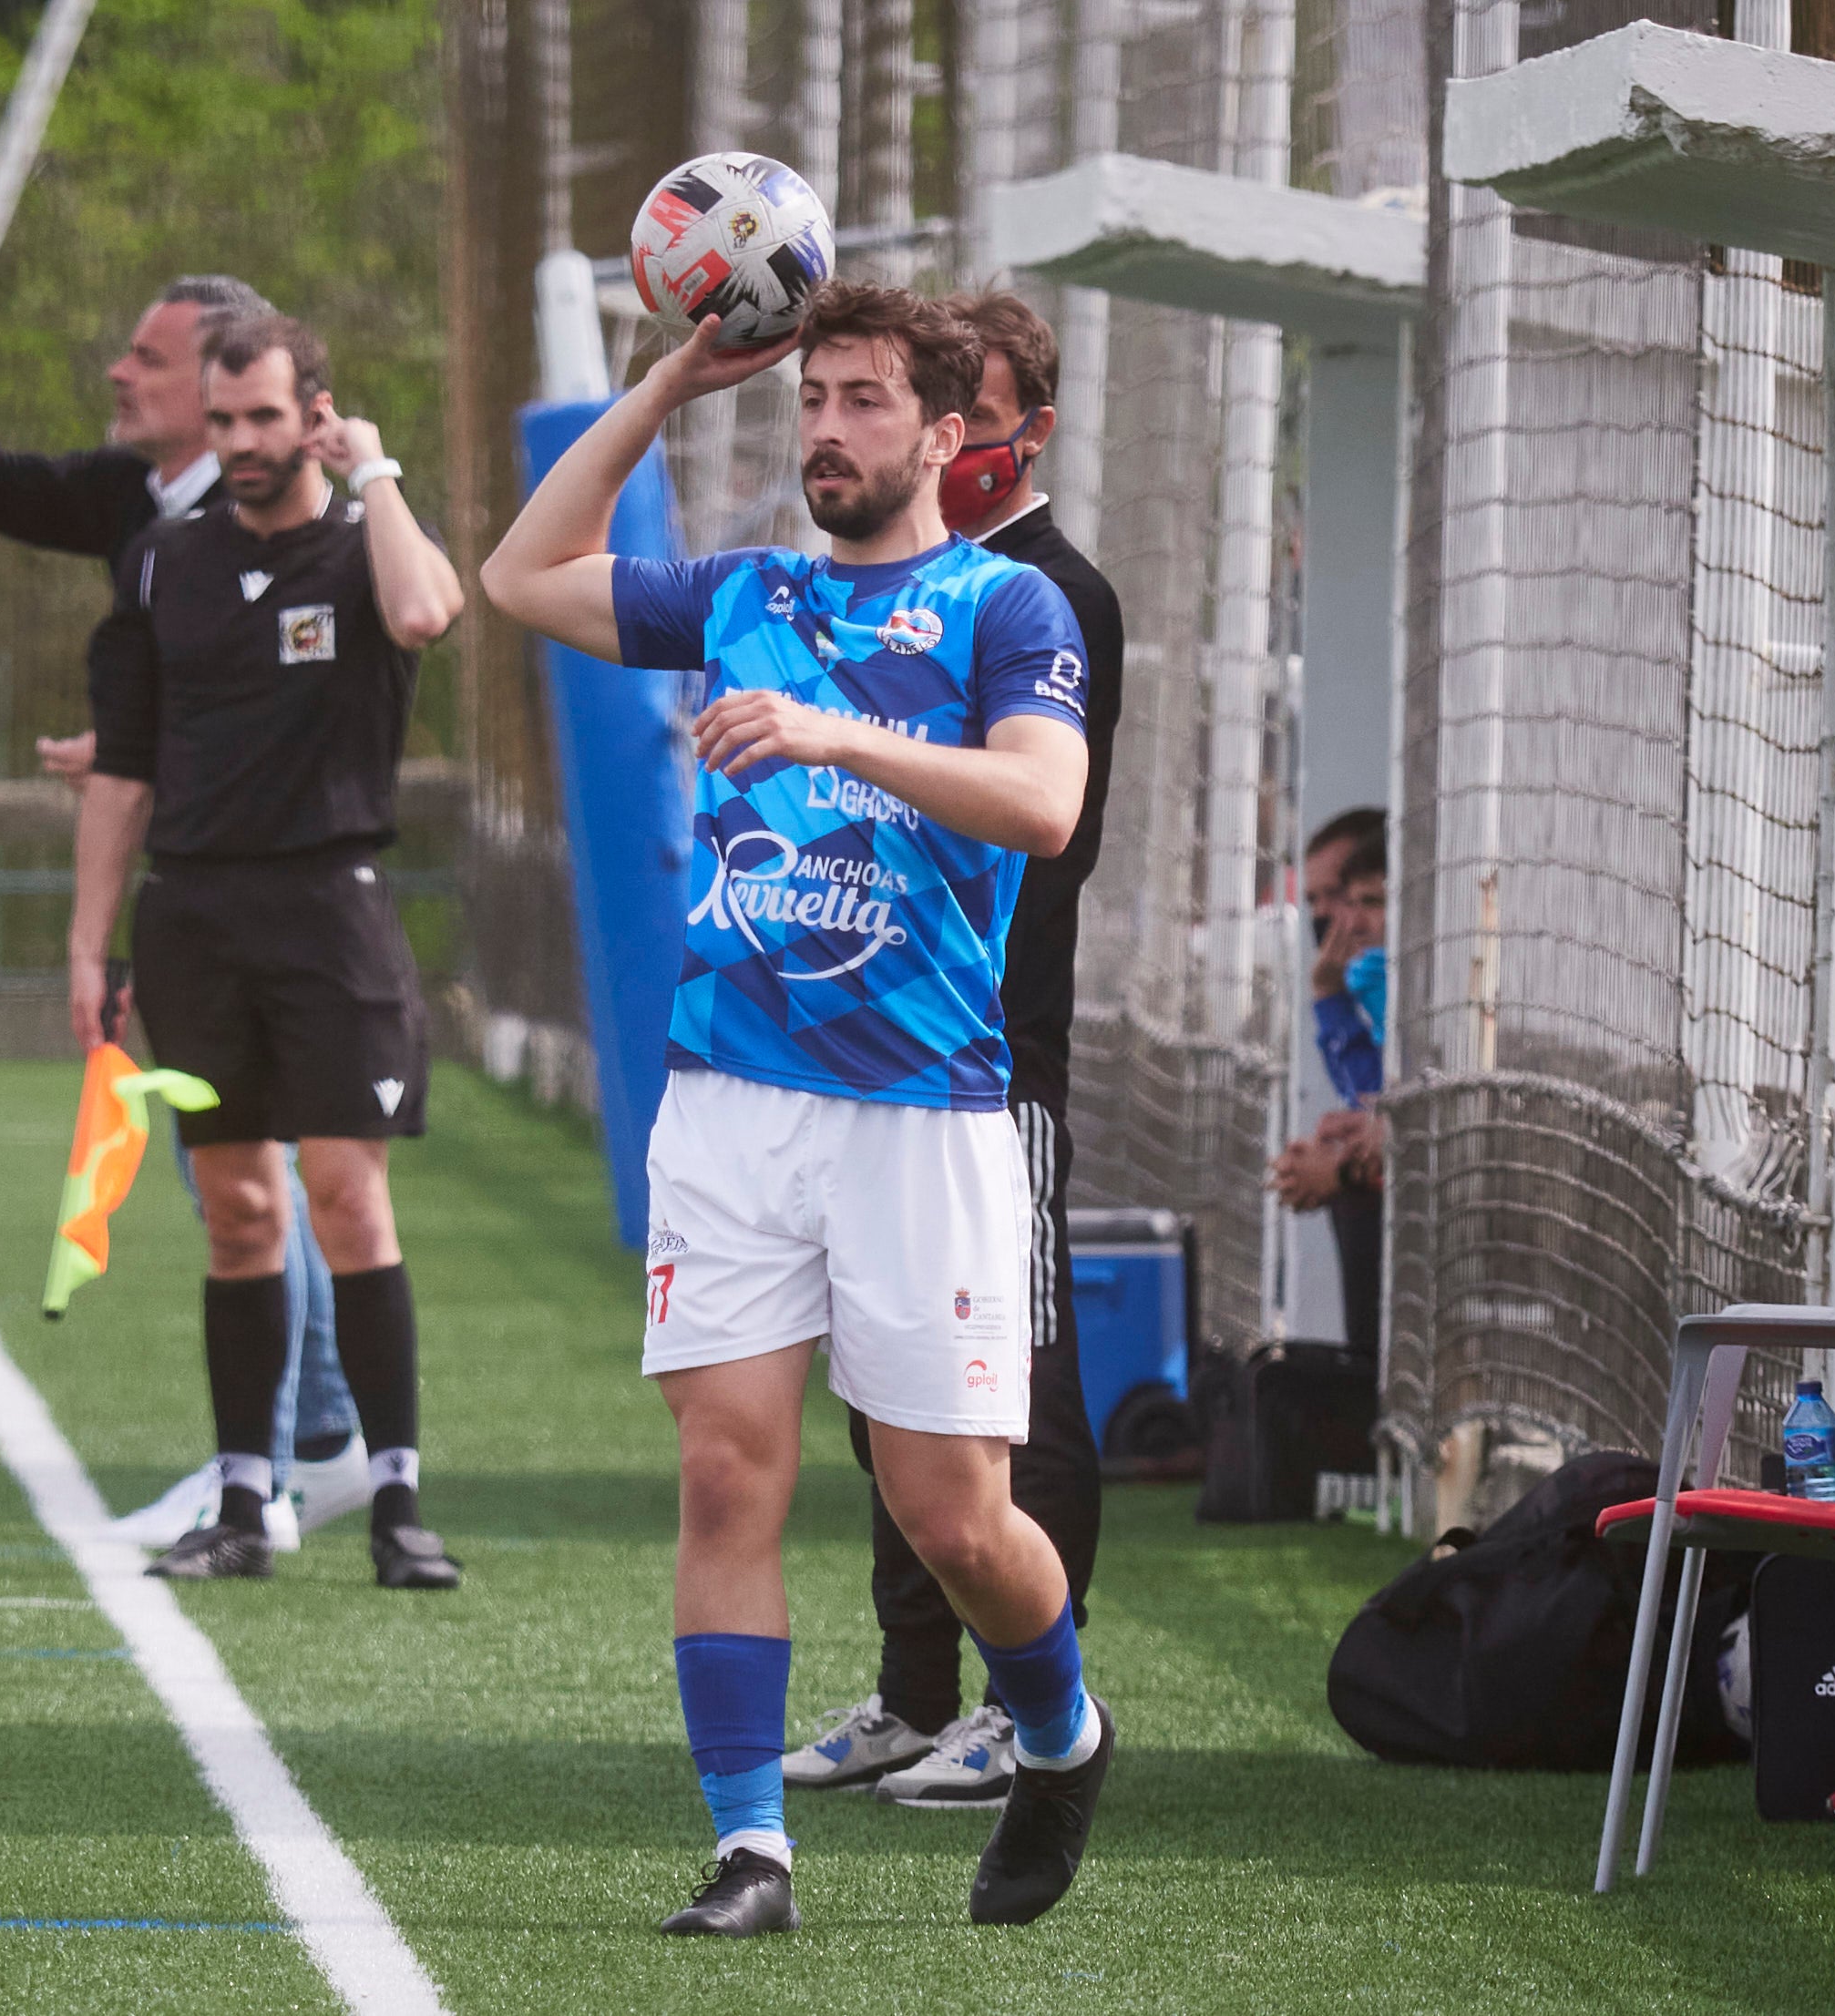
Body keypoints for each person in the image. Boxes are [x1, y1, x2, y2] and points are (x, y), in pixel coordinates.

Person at [481, 280, 1112, 1936]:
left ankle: (1057, 1729)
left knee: (953, 1515)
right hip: (729, 1103)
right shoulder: (746, 588)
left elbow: (1043, 804)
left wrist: (834, 730)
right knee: (724, 1468)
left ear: (944, 431)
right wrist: (671, 378)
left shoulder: (1003, 610)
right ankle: (750, 1847)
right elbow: (520, 574)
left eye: (859, 401)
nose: (822, 427)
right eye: (809, 398)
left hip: (922, 1111)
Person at [0, 276, 372, 1548]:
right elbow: (1, 484)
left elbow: (339, 703)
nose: (117, 373)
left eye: (148, 358)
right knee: (240, 1173)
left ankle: (285, 1459)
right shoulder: (146, 511)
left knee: (255, 1177)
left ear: (237, 388)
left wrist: (154, 759)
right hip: (193, 882)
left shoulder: (306, 527)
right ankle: (316, 1437)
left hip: (286, 899)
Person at [782, 289, 1127, 1813]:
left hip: (992, 1064)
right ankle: (915, 1694)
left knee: (1016, 1391)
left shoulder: (1046, 597)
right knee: (887, 1389)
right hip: (859, 1063)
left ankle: (1028, 1701)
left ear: (1012, 433)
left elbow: (1045, 827)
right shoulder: (879, 583)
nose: (935, 448)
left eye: (964, 421)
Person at [71, 313, 467, 1590]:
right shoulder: (159, 563)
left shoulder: (365, 544)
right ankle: (245, 1497)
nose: (240, 443)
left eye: (264, 419)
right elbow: (121, 768)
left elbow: (427, 611)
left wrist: (377, 471)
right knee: (239, 1212)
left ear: (315, 414)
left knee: (346, 1198)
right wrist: (88, 942)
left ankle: (396, 1497)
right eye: (223, 419)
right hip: (191, 920)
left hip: (327, 913)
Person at [1269, 808, 1388, 1354]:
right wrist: (1328, 996)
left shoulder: (1404, 977)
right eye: (1313, 903)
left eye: (1338, 896)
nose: (1332, 918)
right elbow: (1366, 1097)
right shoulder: (1364, 981)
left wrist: (1341, 1170)